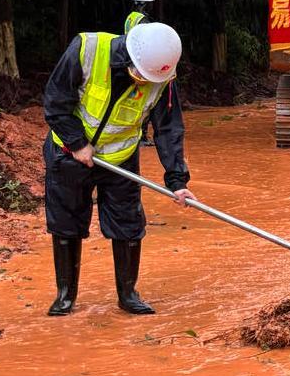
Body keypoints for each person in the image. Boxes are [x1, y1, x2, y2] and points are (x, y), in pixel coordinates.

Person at [42, 22, 193, 317]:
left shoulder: (161, 76)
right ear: (130, 55)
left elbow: (168, 129)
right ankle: (65, 295)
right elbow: (55, 101)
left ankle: (128, 294)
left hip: (120, 160)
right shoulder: (86, 49)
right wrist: (77, 142)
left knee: (128, 224)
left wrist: (177, 180)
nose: (141, 81)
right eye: (138, 73)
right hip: (69, 155)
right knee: (66, 223)